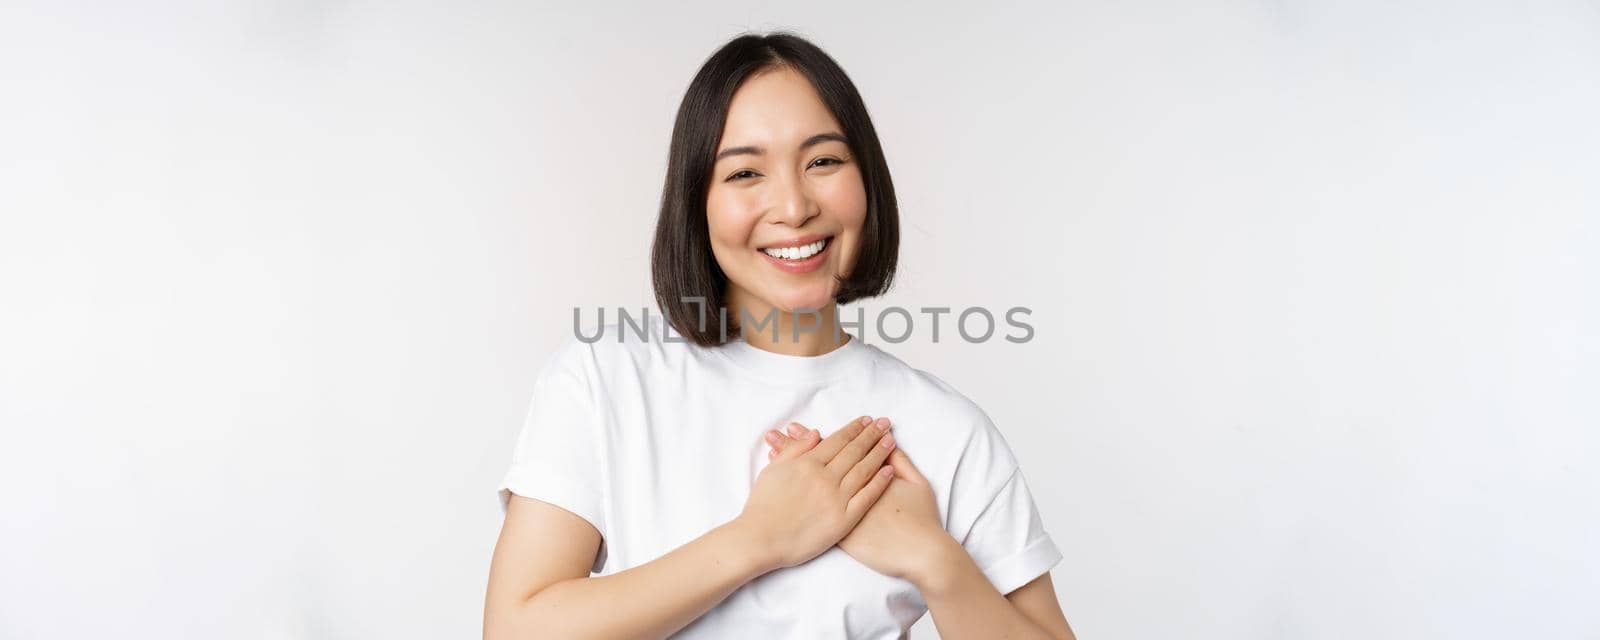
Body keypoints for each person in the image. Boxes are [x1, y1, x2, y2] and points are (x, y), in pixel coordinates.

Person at [484, 31, 1076, 639]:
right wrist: (759, 538)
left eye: (823, 161)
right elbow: (515, 629)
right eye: (744, 172)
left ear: (866, 181)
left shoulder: (946, 429)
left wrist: (935, 559)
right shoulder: (605, 380)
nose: (793, 208)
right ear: (698, 202)